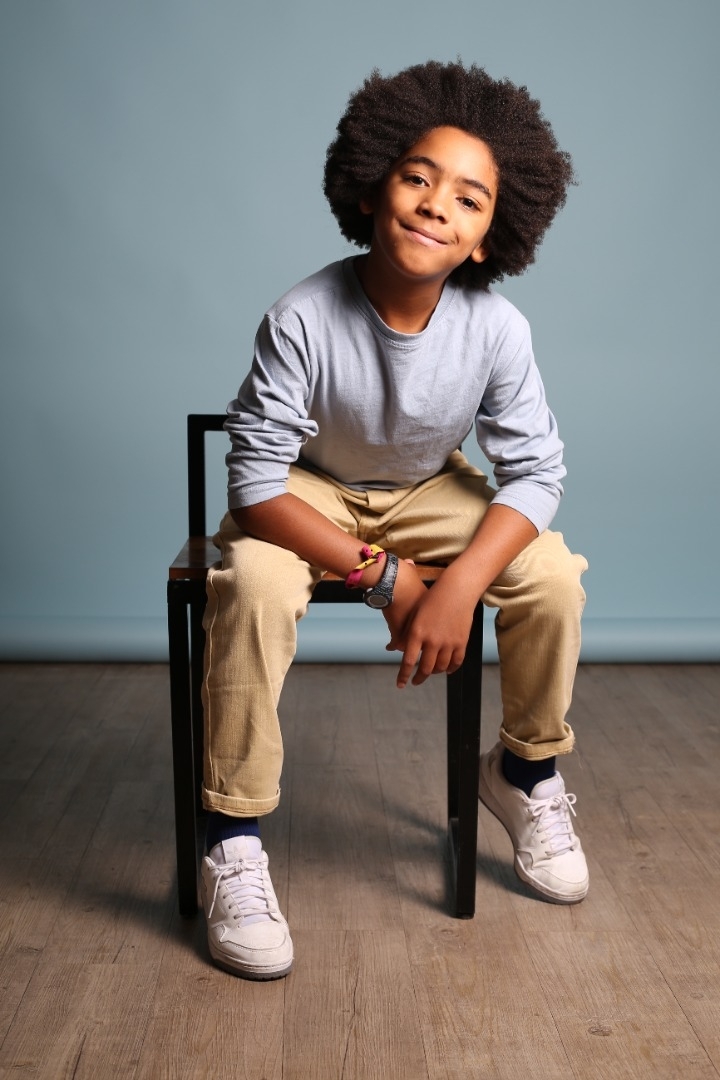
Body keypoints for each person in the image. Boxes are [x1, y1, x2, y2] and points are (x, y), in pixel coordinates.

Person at [199, 60, 589, 980]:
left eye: (469, 199)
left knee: (551, 575)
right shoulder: (302, 315)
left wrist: (455, 589)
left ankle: (524, 772)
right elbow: (255, 486)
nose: (435, 205)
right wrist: (384, 578)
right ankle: (232, 836)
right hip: (304, 492)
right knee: (250, 582)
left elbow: (537, 472)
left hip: (426, 489)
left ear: (489, 239)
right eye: (418, 177)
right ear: (373, 187)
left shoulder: (497, 328)